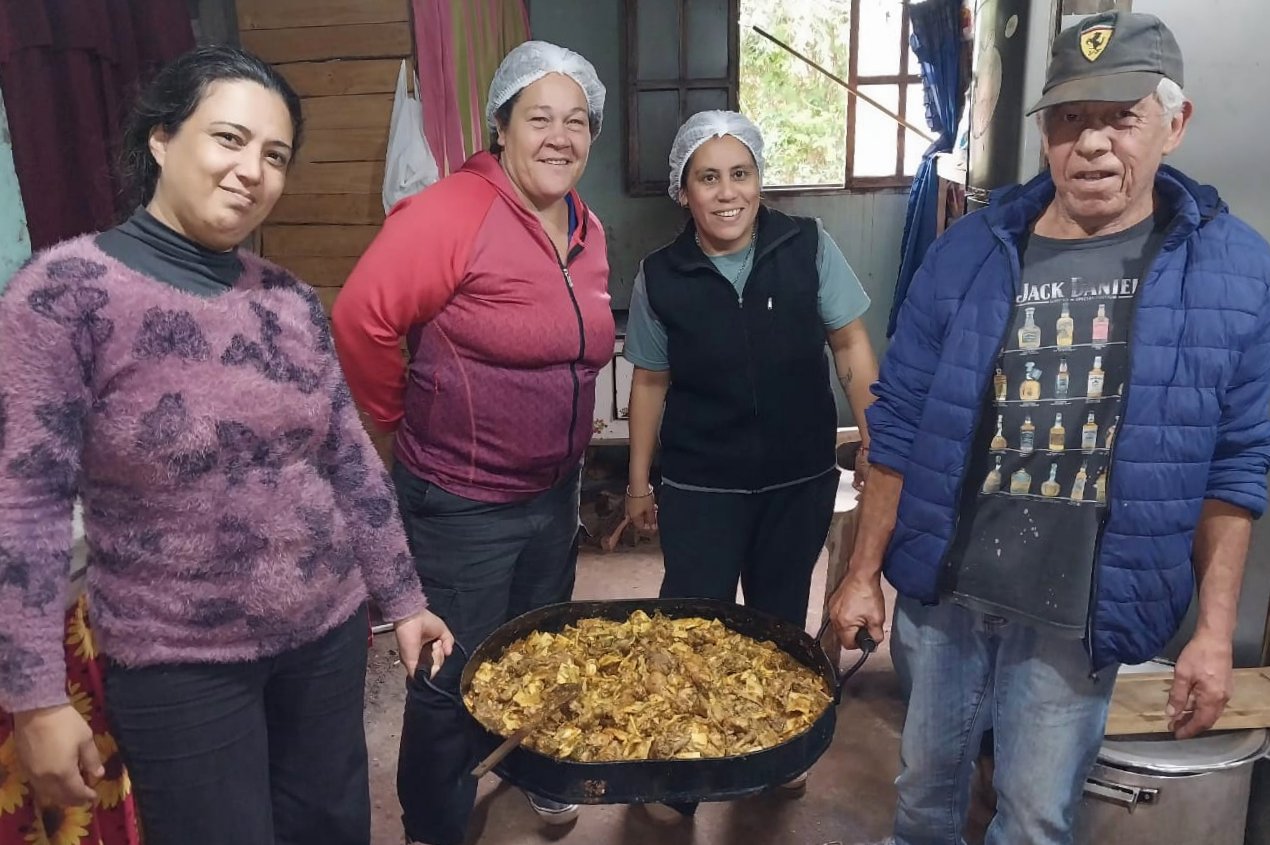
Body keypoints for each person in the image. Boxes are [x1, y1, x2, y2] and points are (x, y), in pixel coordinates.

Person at [829, 12, 1270, 844]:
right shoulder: (968, 251)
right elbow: (900, 424)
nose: (1093, 144)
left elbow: (1234, 470)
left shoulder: (1236, 274)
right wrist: (863, 573)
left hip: (1081, 608)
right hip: (948, 588)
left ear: (1175, 123)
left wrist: (1213, 635)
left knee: (1033, 819)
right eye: (1070, 118)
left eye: (1121, 116)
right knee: (923, 797)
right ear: (1042, 133)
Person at [0, 46, 453, 845]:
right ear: (161, 140)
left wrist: (406, 599)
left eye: (274, 155)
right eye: (229, 139)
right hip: (180, 662)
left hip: (325, 634)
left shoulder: (286, 299)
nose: (253, 170)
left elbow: (349, 459)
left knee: (334, 829)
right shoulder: (67, 293)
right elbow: (27, 503)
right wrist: (35, 695)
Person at [331, 40, 614, 845]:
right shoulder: (456, 210)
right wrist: (397, 417)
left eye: (576, 121)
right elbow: (362, 318)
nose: (560, 137)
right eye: (539, 118)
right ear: (500, 126)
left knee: (537, 646)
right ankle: (434, 821)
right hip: (462, 499)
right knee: (450, 670)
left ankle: (535, 771)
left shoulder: (586, 226)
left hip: (554, 491)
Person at [623, 111, 878, 797]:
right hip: (701, 483)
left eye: (741, 173)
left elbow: (850, 344)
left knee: (777, 620)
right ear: (684, 191)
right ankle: (682, 778)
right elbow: (648, 381)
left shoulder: (808, 245)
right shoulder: (661, 275)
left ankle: (770, 752)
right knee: (693, 623)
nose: (727, 191)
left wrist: (874, 432)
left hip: (797, 478)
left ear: (760, 180)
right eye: (708, 177)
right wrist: (639, 483)